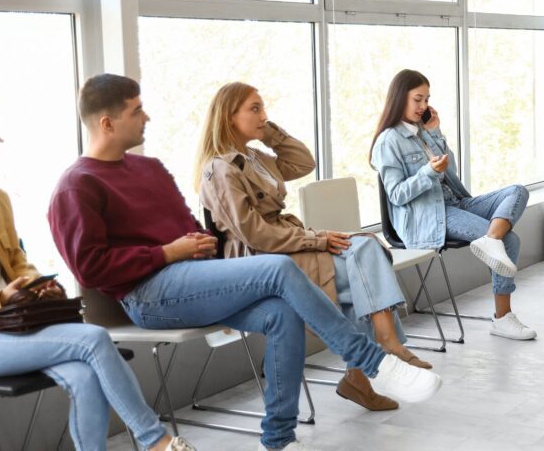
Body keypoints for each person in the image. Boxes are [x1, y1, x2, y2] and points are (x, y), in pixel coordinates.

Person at [48, 75, 441, 451]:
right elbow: (90, 268)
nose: (146, 117)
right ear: (107, 122)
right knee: (277, 268)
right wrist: (167, 253)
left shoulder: (150, 169)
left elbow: (188, 227)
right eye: (137, 111)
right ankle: (372, 361)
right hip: (147, 295)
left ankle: (279, 438)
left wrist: (193, 244)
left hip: (194, 277)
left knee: (282, 313)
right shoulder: (78, 183)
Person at [0, 91, 195, 451]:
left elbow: (17, 261)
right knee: (95, 339)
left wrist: (35, 285)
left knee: (84, 376)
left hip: (13, 322)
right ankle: (156, 441)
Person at [197, 82, 431, 413]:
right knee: (361, 262)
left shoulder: (256, 157)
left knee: (365, 248)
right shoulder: (219, 168)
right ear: (228, 116)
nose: (264, 115)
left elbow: (303, 162)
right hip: (261, 262)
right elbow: (254, 235)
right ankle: (382, 351)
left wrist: (269, 133)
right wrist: (316, 239)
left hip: (288, 246)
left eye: (264, 108)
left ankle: (369, 366)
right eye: (255, 109)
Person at [370, 69, 536, 341]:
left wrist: (436, 134)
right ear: (400, 99)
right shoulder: (388, 142)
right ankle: (502, 318)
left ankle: (491, 239)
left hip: (455, 202)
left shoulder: (425, 132)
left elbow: (452, 174)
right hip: (428, 215)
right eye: (417, 100)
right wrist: (428, 173)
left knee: (518, 191)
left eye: (427, 100)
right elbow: (397, 194)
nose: (423, 106)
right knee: (511, 241)